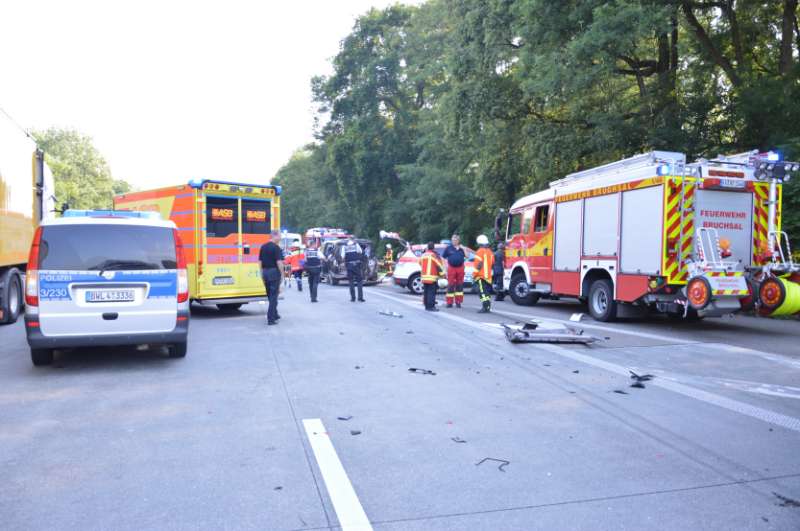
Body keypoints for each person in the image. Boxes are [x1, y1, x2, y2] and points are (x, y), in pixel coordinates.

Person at [259, 229, 285, 325]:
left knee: (270, 295)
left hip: (265, 272)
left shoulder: (263, 247)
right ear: (275, 236)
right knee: (274, 296)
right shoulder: (276, 248)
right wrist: (282, 274)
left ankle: (275, 313)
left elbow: (260, 262)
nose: (280, 237)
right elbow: (279, 262)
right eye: (280, 235)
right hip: (274, 272)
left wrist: (261, 273)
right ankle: (271, 319)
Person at [442, 234, 466, 308]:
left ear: (458, 241)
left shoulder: (462, 248)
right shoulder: (448, 248)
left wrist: (464, 248)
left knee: (459, 285)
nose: (453, 241)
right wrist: (445, 266)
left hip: (460, 268)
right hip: (451, 268)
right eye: (452, 240)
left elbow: (467, 256)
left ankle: (458, 302)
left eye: (455, 240)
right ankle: (449, 302)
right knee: (450, 285)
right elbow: (443, 257)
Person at [419, 242, 445, 311]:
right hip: (432, 277)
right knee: (431, 292)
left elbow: (419, 263)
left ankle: (426, 306)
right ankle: (431, 307)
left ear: (427, 247)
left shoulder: (423, 255)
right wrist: (442, 275)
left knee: (426, 292)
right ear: (433, 248)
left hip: (424, 277)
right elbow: (439, 265)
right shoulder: (433, 255)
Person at [472, 234, 494, 313]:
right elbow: (492, 263)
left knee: (482, 292)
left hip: (481, 276)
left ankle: (485, 307)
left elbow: (478, 265)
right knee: (486, 292)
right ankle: (487, 306)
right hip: (488, 276)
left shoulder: (479, 251)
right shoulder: (490, 252)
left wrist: (474, 275)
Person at [344, 238, 365, 302]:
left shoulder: (344, 247)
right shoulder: (356, 245)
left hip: (349, 266)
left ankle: (353, 298)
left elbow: (342, 256)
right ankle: (360, 298)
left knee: (351, 282)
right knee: (359, 281)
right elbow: (360, 252)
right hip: (356, 265)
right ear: (353, 241)